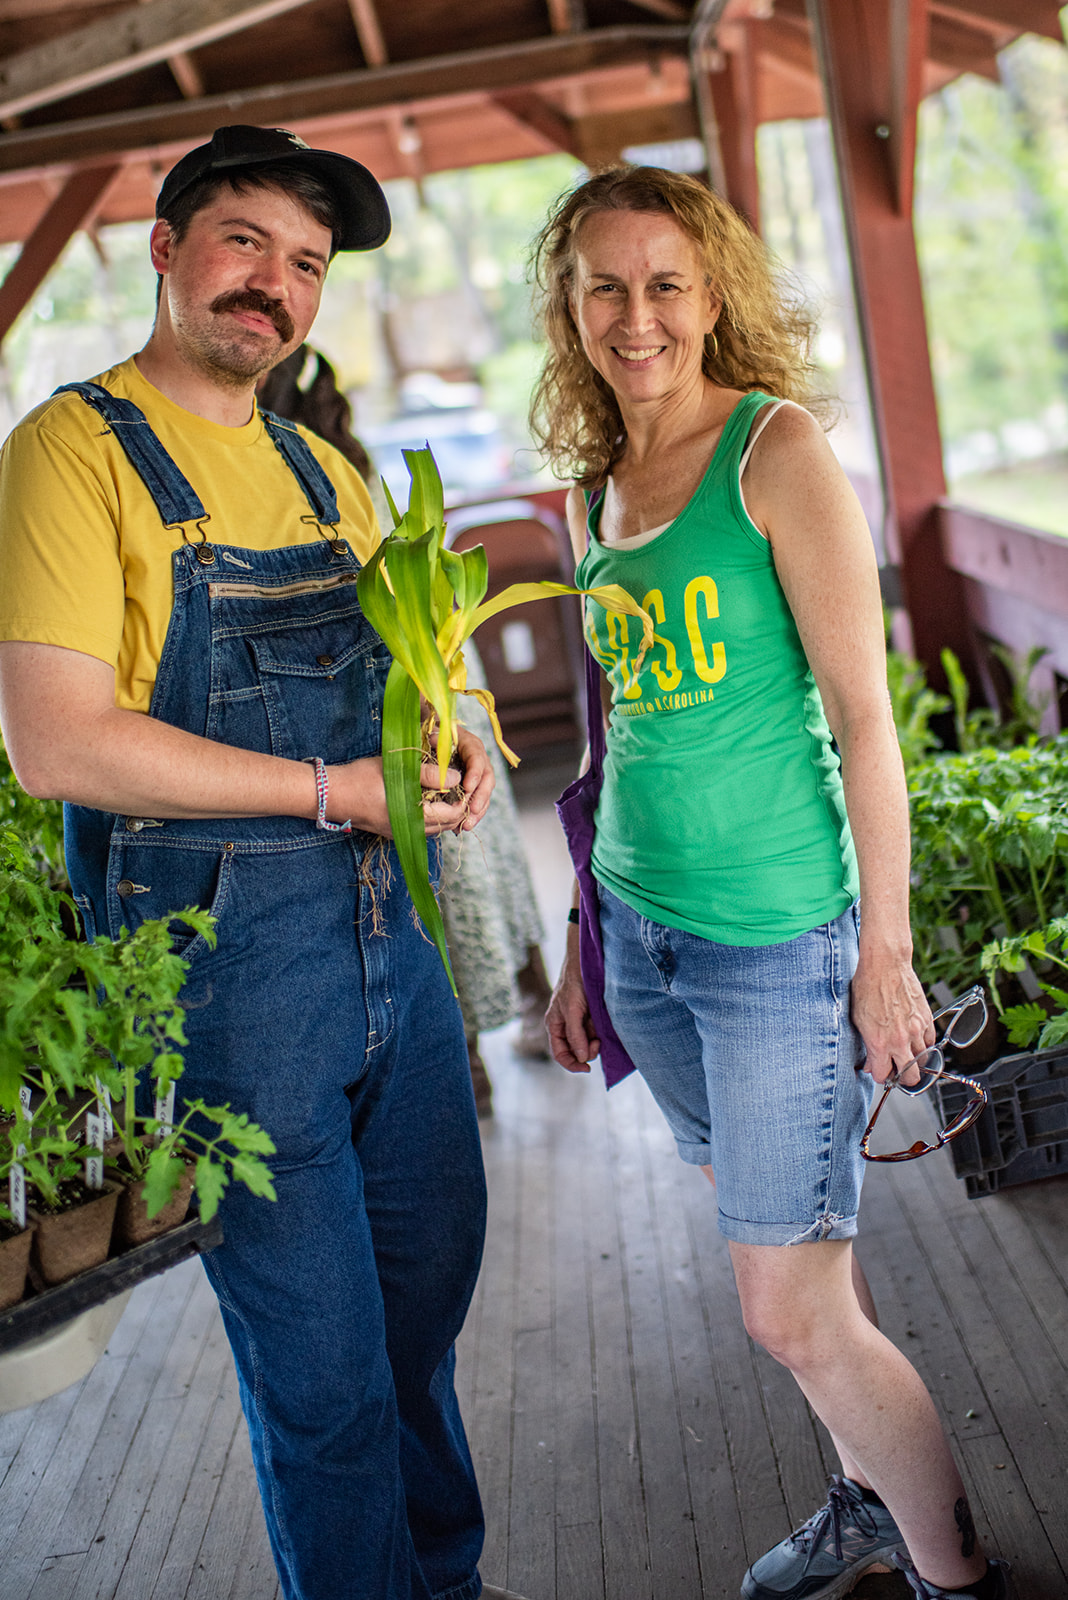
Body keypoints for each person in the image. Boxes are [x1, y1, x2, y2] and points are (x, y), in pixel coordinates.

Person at [0, 125, 526, 1600]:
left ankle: (448, 1582)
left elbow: (421, 664)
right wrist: (332, 788)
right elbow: (58, 743)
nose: (275, 285)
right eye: (243, 242)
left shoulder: (322, 471)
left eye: (306, 264)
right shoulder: (69, 455)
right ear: (162, 250)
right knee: (328, 1384)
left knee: (420, 1321)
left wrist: (466, 730)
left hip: (389, 952)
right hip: (230, 982)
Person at [534, 165, 1009, 1600]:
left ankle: (955, 1574)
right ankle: (869, 1507)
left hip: (775, 940)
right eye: (605, 285)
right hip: (643, 939)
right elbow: (617, 724)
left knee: (787, 1308)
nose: (638, 316)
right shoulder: (591, 488)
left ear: (716, 291)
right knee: (803, 1281)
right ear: (569, 306)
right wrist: (577, 934)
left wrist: (885, 953)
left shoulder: (774, 450)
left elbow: (869, 721)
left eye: (666, 282)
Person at [256, 346, 555, 1116]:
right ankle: (526, 1010)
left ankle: (469, 1058)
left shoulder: (309, 484)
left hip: (413, 687)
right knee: (474, 851)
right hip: (437, 676)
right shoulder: (351, 479)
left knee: (442, 873)